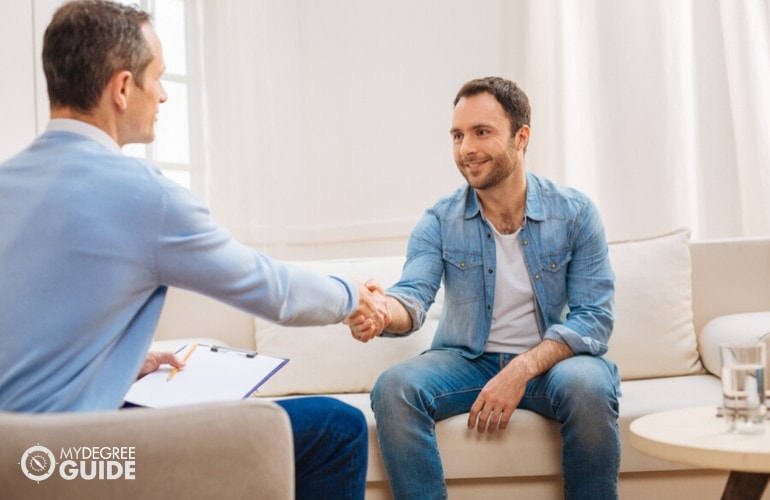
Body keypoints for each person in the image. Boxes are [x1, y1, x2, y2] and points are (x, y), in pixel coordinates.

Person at [0, 1, 387, 498]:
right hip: (76, 464)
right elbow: (273, 291)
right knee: (336, 428)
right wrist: (353, 295)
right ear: (121, 88)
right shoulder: (143, 195)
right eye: (155, 78)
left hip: (13, 461)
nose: (162, 95)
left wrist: (115, 362)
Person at [347, 76, 621, 499]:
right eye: (457, 135)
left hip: (551, 367)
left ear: (521, 137)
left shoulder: (577, 214)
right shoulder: (438, 220)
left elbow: (594, 320)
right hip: (465, 361)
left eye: (481, 132)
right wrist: (383, 310)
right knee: (394, 386)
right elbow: (412, 298)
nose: (466, 149)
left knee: (589, 386)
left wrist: (521, 368)